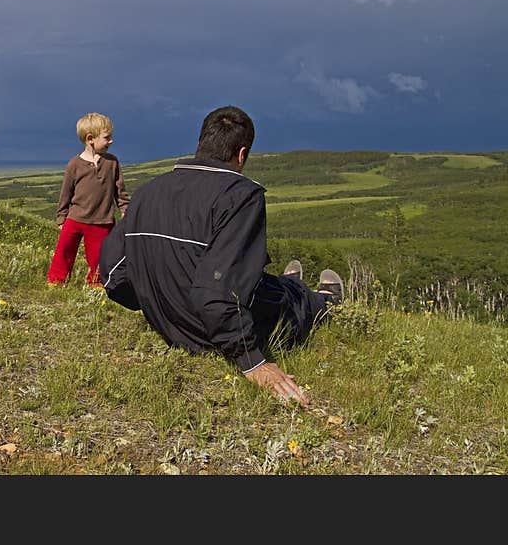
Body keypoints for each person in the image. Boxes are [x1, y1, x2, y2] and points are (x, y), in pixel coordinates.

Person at [98, 106, 344, 406]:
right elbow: (218, 291)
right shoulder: (241, 195)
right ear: (241, 154)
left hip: (171, 322)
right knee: (290, 299)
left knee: (266, 284)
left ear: (202, 142)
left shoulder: (149, 191)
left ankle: (291, 284)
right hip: (211, 331)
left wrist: (158, 302)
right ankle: (327, 301)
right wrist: (252, 360)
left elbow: (112, 274)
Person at [48, 113, 131, 288]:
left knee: (100, 257)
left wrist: (125, 209)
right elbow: (66, 193)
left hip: (102, 221)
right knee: (64, 251)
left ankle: (96, 285)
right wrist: (61, 217)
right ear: (90, 139)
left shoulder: (112, 163)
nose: (111, 141)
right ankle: (56, 282)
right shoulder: (74, 165)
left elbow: (120, 191)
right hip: (75, 218)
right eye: (107, 138)